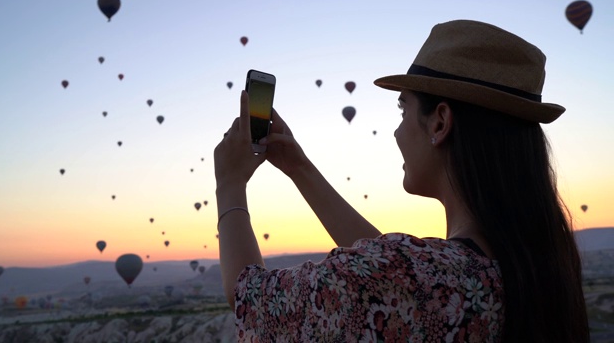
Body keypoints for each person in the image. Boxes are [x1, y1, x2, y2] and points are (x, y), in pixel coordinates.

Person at [214, 20, 589, 342]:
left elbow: (250, 296)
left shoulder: (408, 276)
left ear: (440, 123)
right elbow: (393, 268)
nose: (395, 132)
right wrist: (300, 168)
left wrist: (230, 184)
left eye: (403, 108)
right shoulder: (541, 266)